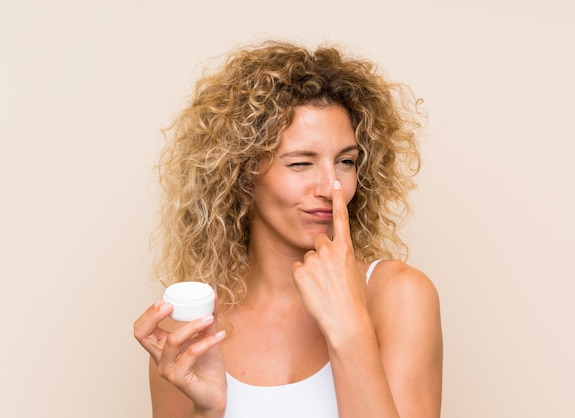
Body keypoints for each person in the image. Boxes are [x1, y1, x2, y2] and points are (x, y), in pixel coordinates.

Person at [133, 39, 443, 418]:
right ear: (242, 174)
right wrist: (208, 411)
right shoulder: (192, 330)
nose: (332, 187)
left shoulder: (399, 295)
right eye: (300, 164)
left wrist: (349, 328)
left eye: (346, 161)